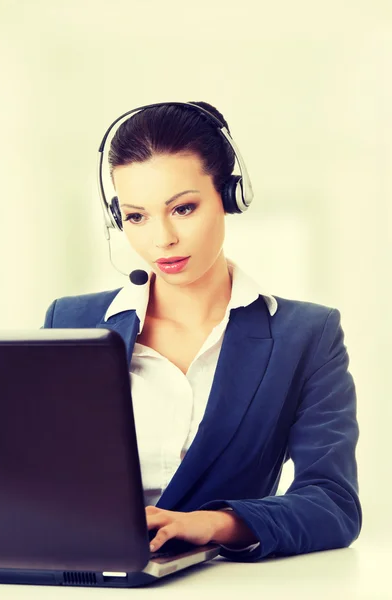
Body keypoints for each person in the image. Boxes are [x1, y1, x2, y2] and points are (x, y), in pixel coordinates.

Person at [43, 101, 362, 560]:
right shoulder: (69, 323)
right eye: (136, 216)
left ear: (228, 198)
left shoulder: (307, 335)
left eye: (184, 208)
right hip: (80, 578)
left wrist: (211, 524)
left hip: (221, 583)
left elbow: (334, 505)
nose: (162, 238)